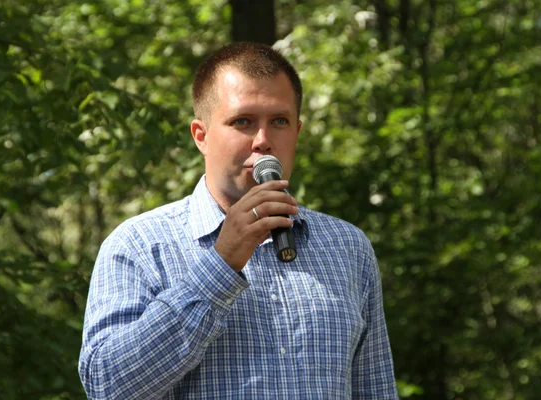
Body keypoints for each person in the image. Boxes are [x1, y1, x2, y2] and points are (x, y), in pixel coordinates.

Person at [79, 42, 398, 399]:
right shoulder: (139, 245)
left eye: (279, 121)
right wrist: (220, 265)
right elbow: (106, 387)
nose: (262, 141)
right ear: (201, 136)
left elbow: (376, 390)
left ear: (297, 132)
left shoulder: (348, 248)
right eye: (242, 122)